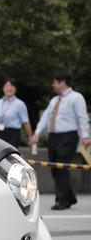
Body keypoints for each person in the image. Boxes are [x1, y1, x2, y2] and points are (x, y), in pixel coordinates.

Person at [30, 72, 90, 210]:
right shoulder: (54, 100)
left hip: (68, 136)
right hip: (53, 137)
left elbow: (82, 117)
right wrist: (37, 134)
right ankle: (69, 198)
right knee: (54, 168)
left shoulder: (76, 97)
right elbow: (45, 117)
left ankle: (61, 200)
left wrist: (85, 136)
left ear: (62, 82)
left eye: (55, 82)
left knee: (61, 167)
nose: (53, 85)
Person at [0, 78, 33, 147]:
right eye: (7, 86)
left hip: (13, 134)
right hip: (0, 133)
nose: (9, 88)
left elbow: (25, 122)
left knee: (10, 153)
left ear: (15, 89)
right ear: (3, 88)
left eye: (12, 86)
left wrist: (30, 137)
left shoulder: (20, 104)